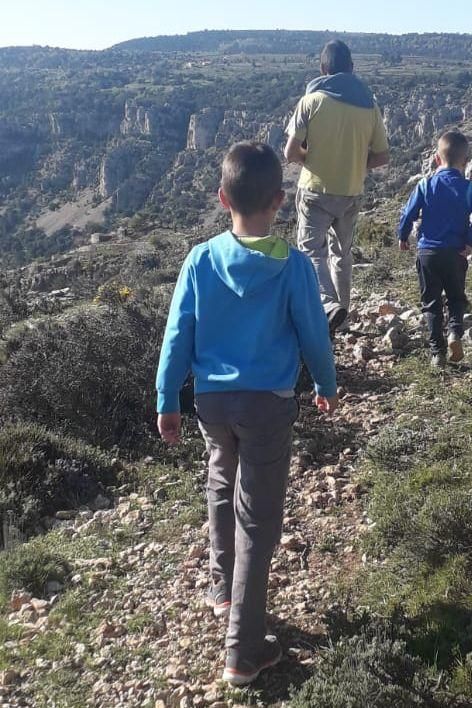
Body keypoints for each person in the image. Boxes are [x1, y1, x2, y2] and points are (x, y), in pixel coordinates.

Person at [155, 142, 338, 686]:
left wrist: (168, 399)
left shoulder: (201, 258)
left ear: (221, 198)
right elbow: (313, 333)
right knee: (258, 520)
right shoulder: (293, 266)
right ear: (279, 201)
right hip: (267, 403)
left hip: (211, 402)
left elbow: (176, 335)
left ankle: (221, 587)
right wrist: (326, 383)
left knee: (219, 479)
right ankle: (242, 649)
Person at [285, 39, 390, 334]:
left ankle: (330, 306)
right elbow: (382, 156)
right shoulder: (369, 105)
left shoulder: (311, 101)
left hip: (315, 189)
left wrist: (313, 159)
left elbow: (290, 153)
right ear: (352, 69)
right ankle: (341, 317)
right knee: (341, 254)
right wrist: (356, 164)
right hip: (351, 192)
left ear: (322, 69)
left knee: (310, 251)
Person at [397, 130, 472, 367]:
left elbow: (408, 213)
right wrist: (470, 241)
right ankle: (454, 334)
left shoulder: (425, 185)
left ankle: (437, 354)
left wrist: (403, 236)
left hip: (428, 253)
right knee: (456, 299)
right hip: (456, 253)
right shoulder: (469, 189)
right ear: (465, 162)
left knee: (431, 303)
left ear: (437, 159)